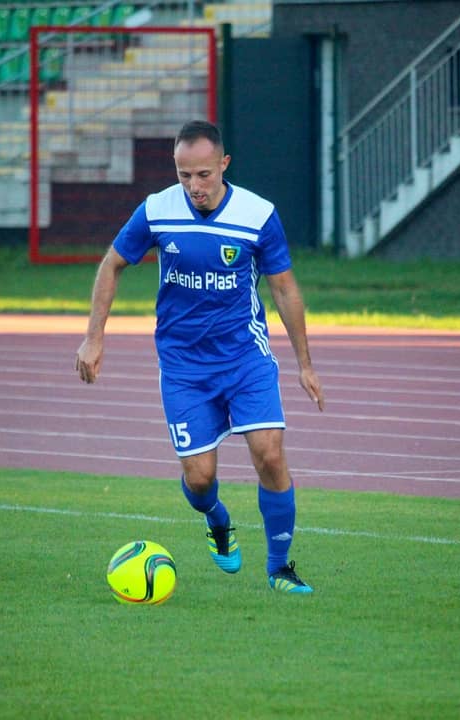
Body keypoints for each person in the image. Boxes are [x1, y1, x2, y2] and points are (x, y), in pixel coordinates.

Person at [74, 120, 324, 594]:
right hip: (183, 366)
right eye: (184, 175)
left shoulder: (257, 215)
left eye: (204, 175)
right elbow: (112, 264)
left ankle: (279, 568)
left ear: (224, 165)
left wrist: (305, 364)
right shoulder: (157, 210)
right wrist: (94, 337)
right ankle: (216, 519)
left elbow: (284, 289)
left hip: (245, 358)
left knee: (270, 453)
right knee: (201, 478)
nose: (194, 186)